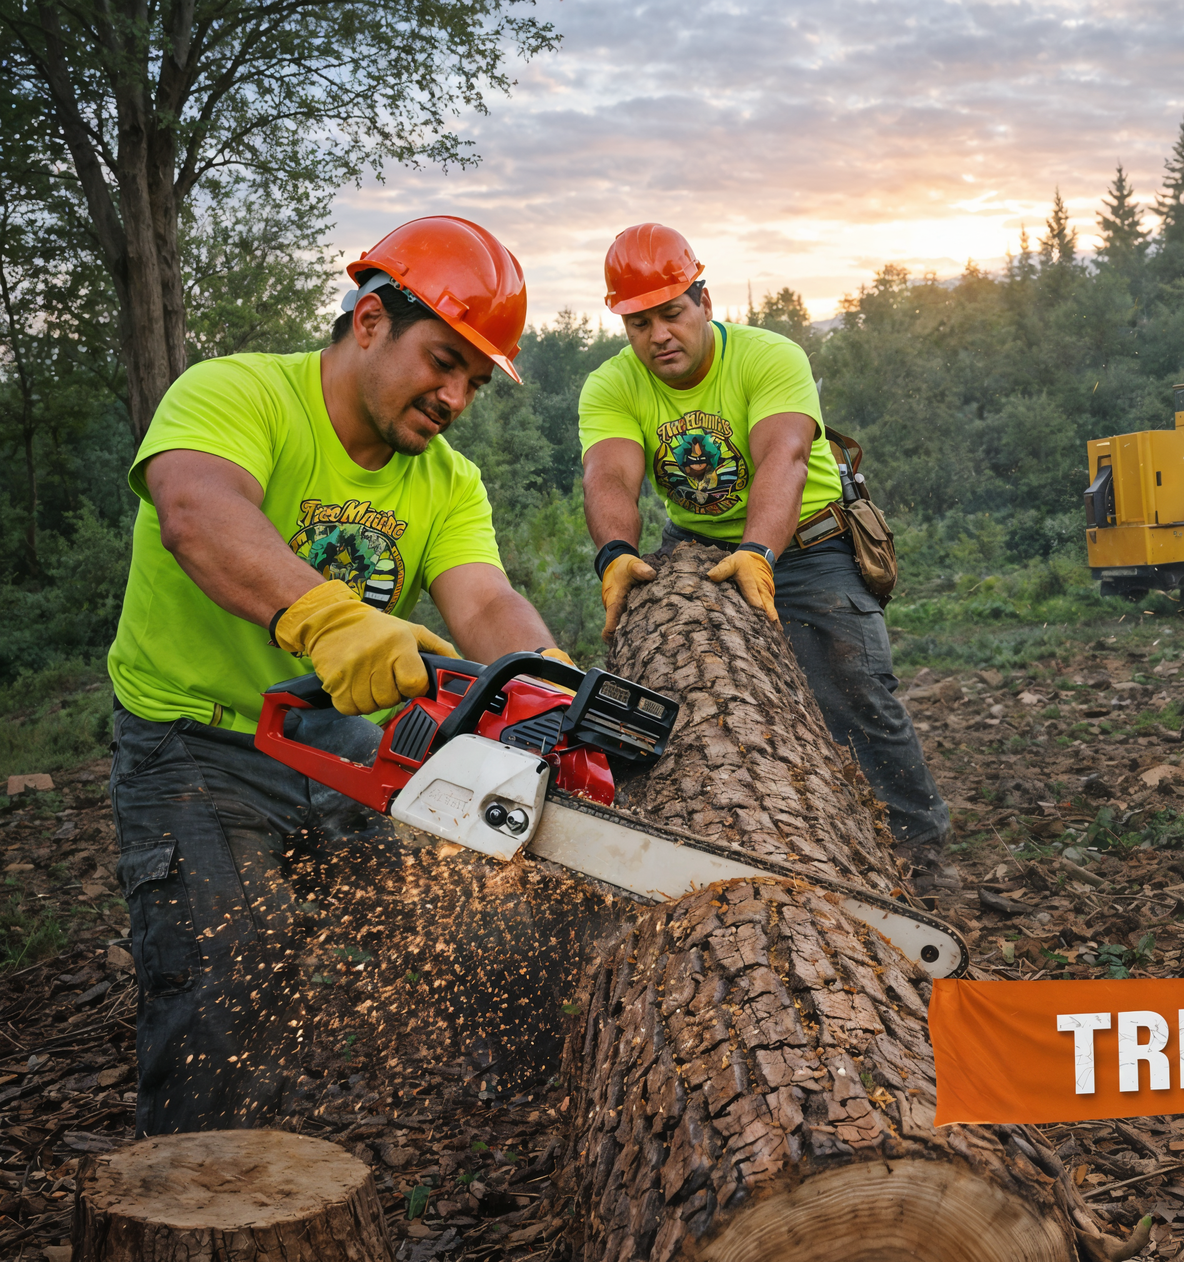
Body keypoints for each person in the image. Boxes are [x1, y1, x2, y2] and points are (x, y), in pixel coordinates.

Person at [107, 215, 571, 1135]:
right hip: (196, 739)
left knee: (492, 912)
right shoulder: (238, 393)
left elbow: (481, 598)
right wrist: (326, 617)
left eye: (473, 382)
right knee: (229, 979)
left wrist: (543, 679)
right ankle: (198, 1196)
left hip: (337, 738)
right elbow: (197, 511)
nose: (454, 397)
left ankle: (551, 1118)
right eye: (442, 361)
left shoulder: (445, 479)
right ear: (368, 322)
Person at [579, 223, 951, 880]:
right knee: (676, 689)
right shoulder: (611, 386)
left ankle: (920, 852)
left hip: (811, 544)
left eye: (671, 313)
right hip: (694, 545)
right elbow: (610, 475)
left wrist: (759, 551)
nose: (659, 335)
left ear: (705, 304)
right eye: (640, 323)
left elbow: (786, 457)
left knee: (853, 692)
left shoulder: (768, 357)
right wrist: (614, 551)